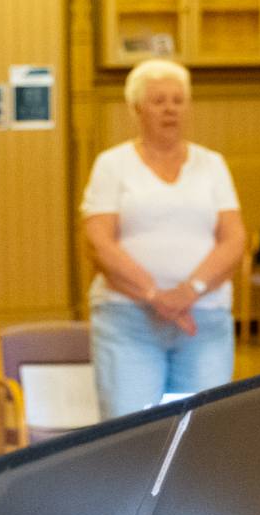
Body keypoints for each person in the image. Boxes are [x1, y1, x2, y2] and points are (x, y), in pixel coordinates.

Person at [81, 59, 246, 417]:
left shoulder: (212, 164)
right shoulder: (112, 165)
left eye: (177, 100)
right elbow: (98, 243)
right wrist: (155, 296)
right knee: (131, 431)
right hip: (128, 319)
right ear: (136, 108)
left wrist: (189, 292)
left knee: (201, 431)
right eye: (158, 101)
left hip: (203, 320)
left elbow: (233, 240)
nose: (170, 108)